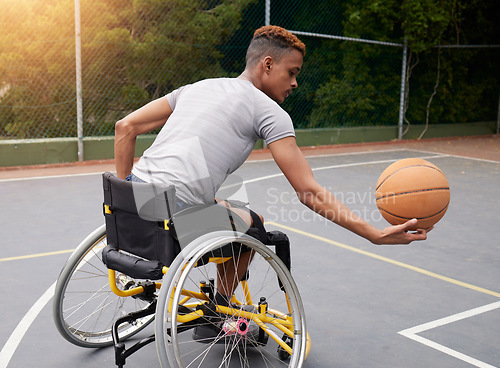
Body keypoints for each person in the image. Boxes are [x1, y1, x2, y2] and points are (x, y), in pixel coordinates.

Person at [114, 26, 431, 310]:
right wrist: (373, 233)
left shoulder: (197, 88)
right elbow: (308, 192)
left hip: (134, 206)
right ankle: (221, 308)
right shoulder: (268, 110)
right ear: (267, 64)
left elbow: (125, 127)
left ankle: (217, 295)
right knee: (253, 226)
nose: (294, 83)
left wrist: (127, 191)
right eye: (291, 72)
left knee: (235, 211)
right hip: (175, 217)